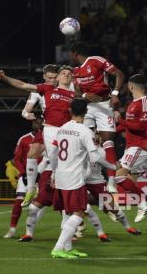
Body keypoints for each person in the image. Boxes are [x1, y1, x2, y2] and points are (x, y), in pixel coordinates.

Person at [0, 65, 73, 207]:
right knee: (32, 153)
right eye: (49, 78)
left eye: (55, 77)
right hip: (48, 127)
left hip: (66, 130)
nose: (52, 80)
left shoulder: (71, 89)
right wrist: (27, 114)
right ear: (44, 77)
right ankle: (30, 187)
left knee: (54, 160)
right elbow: (25, 106)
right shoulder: (42, 89)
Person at [49, 99, 117, 259]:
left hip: (60, 175)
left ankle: (68, 247)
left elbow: (52, 153)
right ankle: (58, 248)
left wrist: (54, 171)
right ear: (86, 112)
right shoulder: (86, 131)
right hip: (75, 177)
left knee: (67, 213)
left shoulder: (62, 128)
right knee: (79, 212)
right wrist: (113, 167)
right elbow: (94, 156)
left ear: (70, 110)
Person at [70, 42, 125, 190]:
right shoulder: (75, 70)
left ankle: (112, 181)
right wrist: (85, 94)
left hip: (104, 105)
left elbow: (119, 74)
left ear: (75, 54)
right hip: (86, 108)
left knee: (108, 143)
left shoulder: (96, 60)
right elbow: (76, 91)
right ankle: (85, 174)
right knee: (82, 141)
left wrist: (115, 94)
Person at [111, 74, 147, 232]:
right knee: (131, 181)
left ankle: (144, 204)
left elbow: (143, 127)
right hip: (131, 146)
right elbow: (127, 126)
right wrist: (110, 132)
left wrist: (120, 121)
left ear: (131, 86)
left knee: (118, 175)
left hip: (140, 147)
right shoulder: (132, 104)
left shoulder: (145, 103)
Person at [3, 118, 45, 238]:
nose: (37, 124)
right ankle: (12, 229)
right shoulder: (24, 139)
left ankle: (30, 230)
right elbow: (16, 158)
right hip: (27, 175)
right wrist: (22, 172)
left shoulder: (49, 136)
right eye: (35, 122)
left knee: (42, 203)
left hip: (43, 175)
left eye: (39, 122)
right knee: (19, 201)